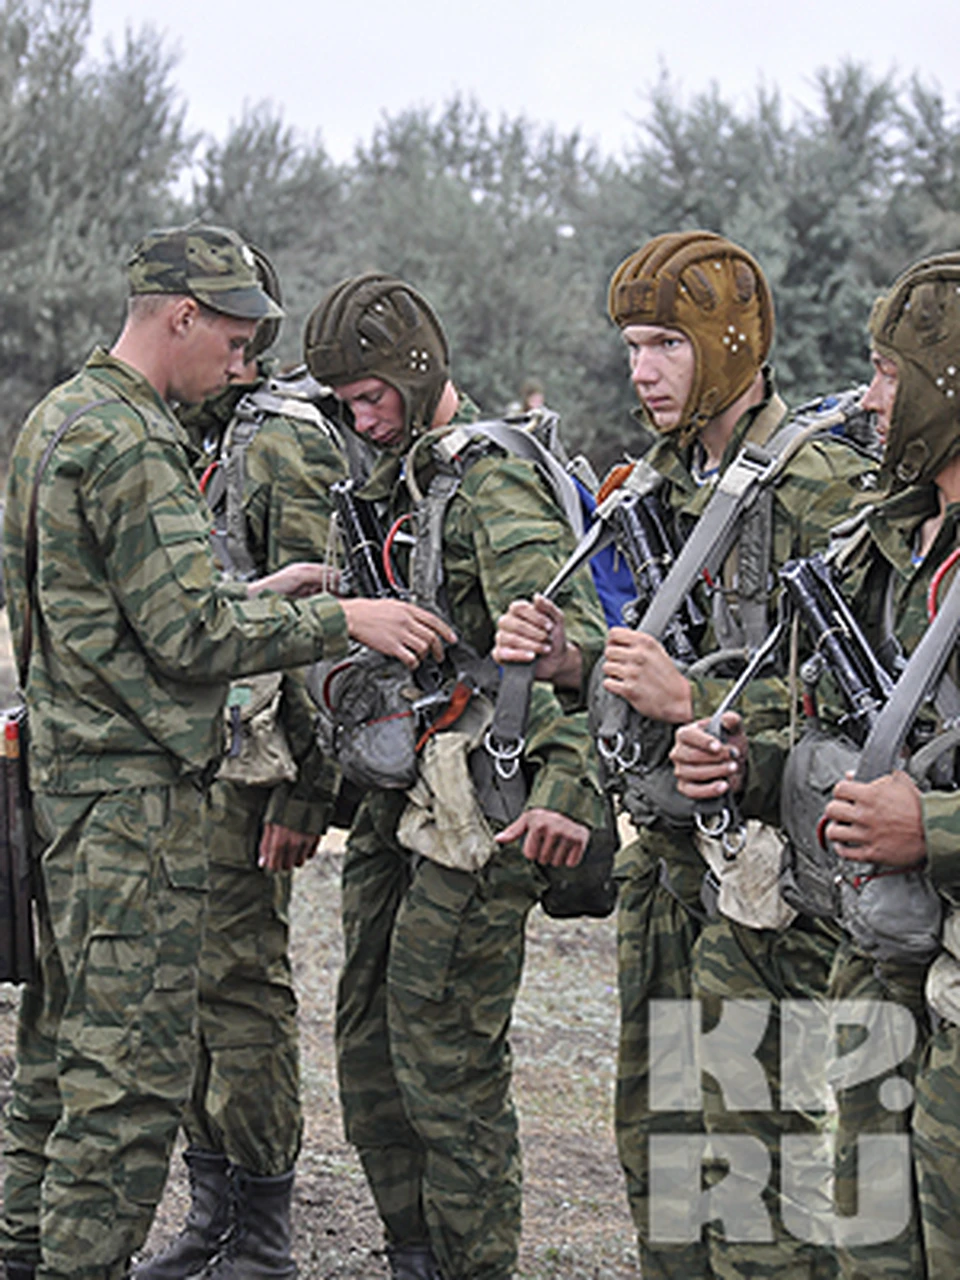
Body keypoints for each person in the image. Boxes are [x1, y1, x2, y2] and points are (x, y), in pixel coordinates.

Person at [0, 227, 454, 1280]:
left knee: (60, 1056)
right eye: (239, 340)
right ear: (182, 317)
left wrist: (255, 595)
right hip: (133, 810)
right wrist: (345, 615)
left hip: (64, 791)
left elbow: (108, 618)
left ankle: (22, 1253)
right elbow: (190, 640)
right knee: (127, 1085)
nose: (245, 366)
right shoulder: (135, 440)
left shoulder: (56, 420)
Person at [494, 231, 876, 1279]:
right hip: (665, 864)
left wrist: (693, 698)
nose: (643, 369)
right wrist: (573, 659)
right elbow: (651, 653)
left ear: (731, 341)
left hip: (768, 887)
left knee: (761, 1171)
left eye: (667, 341)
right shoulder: (656, 482)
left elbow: (873, 715)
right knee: (660, 1151)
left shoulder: (821, 483)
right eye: (630, 344)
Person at [303, 272, 608, 1280]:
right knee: (366, 1038)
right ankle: (413, 1251)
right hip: (399, 798)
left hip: (483, 807)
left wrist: (565, 792)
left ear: (415, 365)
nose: (360, 414)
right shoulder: (391, 484)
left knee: (444, 1056)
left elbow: (570, 643)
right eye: (345, 400)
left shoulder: (490, 480)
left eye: (369, 392)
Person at [674, 250, 960, 1280]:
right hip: (881, 964)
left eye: (890, 373)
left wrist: (927, 829)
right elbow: (844, 730)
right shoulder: (894, 543)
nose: (868, 397)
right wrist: (752, 764)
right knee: (867, 1244)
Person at [133, 248, 350, 1279]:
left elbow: (325, 625)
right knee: (186, 995)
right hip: (182, 759)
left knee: (244, 995)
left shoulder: (283, 444)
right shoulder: (179, 429)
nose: (240, 342)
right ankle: (211, 1209)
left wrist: (309, 787)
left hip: (256, 769)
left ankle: (261, 1229)